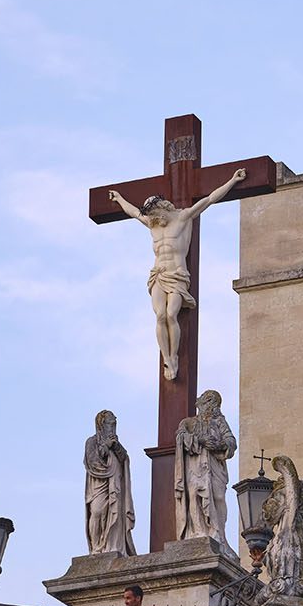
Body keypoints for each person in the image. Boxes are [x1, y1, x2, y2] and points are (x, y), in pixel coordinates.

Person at [107, 168, 247, 380]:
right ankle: (167, 358)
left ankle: (174, 355)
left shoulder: (182, 218)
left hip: (177, 274)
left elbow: (209, 200)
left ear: (163, 208)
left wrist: (232, 181)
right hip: (158, 275)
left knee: (172, 314)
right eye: (150, 216)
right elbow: (133, 212)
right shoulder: (152, 224)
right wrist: (118, 199)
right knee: (160, 315)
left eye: (154, 214)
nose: (151, 218)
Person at [174, 389, 237, 554]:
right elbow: (180, 437)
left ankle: (218, 534)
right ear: (201, 403)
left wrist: (218, 445)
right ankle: (199, 532)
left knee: (218, 497)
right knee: (194, 495)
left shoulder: (220, 422)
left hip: (215, 466)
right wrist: (199, 440)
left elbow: (231, 441)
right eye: (208, 401)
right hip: (195, 467)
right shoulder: (188, 423)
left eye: (214, 402)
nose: (212, 405)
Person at [84, 409, 136, 556]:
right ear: (101, 425)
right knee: (97, 511)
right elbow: (92, 462)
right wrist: (106, 446)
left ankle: (112, 545)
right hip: (98, 484)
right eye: (109, 424)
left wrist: (116, 447)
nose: (112, 427)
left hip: (115, 484)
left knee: (115, 513)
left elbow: (124, 458)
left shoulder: (116, 443)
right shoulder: (92, 442)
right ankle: (96, 547)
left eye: (114, 424)